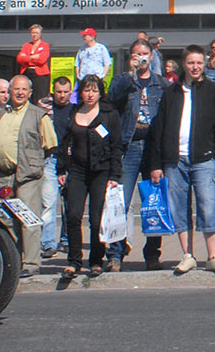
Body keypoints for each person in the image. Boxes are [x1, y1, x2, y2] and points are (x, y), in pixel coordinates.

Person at [144, 44, 215, 275]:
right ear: (184, 64)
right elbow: (158, 129)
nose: (195, 67)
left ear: (204, 64)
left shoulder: (214, 92)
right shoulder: (170, 93)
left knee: (207, 205)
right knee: (179, 208)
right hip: (175, 160)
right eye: (191, 63)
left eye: (199, 63)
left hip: (203, 159)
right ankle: (188, 255)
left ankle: (212, 256)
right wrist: (156, 164)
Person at [105, 39, 168, 269]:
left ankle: (152, 254)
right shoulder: (123, 80)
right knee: (119, 202)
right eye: (136, 54)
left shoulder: (161, 83)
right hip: (129, 146)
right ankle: (115, 253)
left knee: (153, 203)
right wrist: (131, 74)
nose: (141, 57)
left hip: (152, 148)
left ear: (151, 56)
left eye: (144, 54)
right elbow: (111, 100)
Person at [0, 75, 57, 276]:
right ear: (9, 92)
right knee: (7, 221)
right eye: (16, 89)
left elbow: (51, 145)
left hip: (27, 176)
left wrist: (35, 166)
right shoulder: (0, 115)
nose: (19, 93)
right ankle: (12, 262)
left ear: (30, 93)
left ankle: (31, 263)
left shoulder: (38, 115)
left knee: (28, 219)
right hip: (4, 176)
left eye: (24, 89)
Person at [59, 74, 122, 277]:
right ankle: (74, 261)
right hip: (77, 171)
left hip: (101, 171)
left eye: (94, 90)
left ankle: (96, 260)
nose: (90, 94)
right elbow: (65, 142)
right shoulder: (74, 112)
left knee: (96, 219)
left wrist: (115, 175)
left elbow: (116, 146)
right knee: (73, 214)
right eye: (87, 90)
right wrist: (61, 168)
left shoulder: (108, 114)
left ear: (100, 93)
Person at [41, 75, 75, 258]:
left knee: (70, 204)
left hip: (70, 160)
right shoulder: (46, 111)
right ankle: (48, 243)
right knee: (49, 202)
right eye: (58, 92)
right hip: (51, 159)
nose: (62, 95)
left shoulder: (74, 110)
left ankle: (68, 239)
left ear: (70, 92)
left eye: (65, 92)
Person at [15, 24, 51, 102]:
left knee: (39, 98)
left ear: (40, 34)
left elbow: (42, 60)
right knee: (25, 95)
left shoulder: (45, 45)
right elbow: (19, 59)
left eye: (36, 33)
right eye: (33, 33)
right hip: (27, 73)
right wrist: (32, 57)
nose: (34, 35)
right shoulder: (26, 45)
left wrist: (26, 58)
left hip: (39, 75)